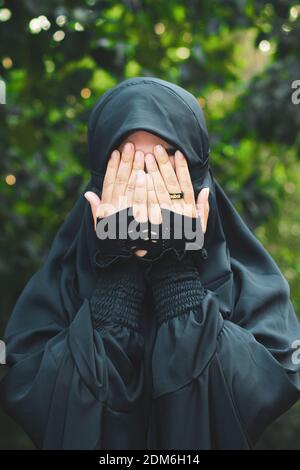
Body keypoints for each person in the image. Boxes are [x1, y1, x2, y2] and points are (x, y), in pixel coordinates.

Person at [0, 76, 300, 450]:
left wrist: (176, 272)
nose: (145, 187)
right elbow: (42, 401)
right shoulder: (61, 286)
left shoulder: (250, 287)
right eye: (125, 166)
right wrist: (118, 277)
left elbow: (259, 394)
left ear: (196, 174)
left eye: (164, 165)